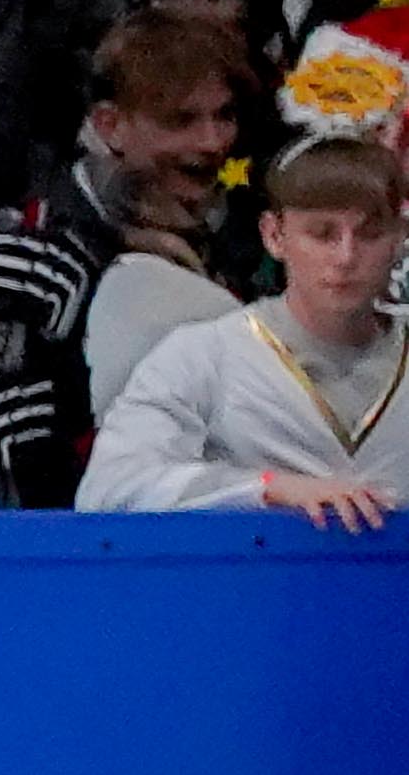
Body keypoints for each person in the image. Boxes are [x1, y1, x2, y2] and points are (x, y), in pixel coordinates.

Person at [74, 129, 405, 522]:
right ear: (274, 235)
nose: (346, 256)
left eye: (369, 234)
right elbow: (111, 488)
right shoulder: (204, 355)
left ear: (399, 238)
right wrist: (265, 489)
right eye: (322, 234)